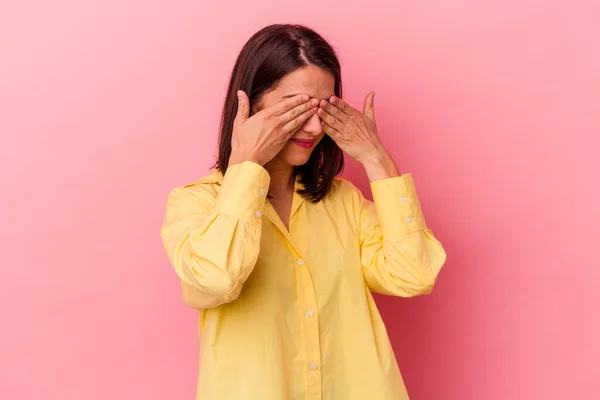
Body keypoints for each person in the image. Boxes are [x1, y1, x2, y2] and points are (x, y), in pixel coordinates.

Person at [160, 23, 446, 400]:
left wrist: (377, 159)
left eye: (323, 109)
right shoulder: (195, 204)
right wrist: (247, 163)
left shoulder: (344, 204)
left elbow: (414, 275)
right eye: (295, 107)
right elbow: (215, 279)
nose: (313, 126)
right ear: (249, 104)